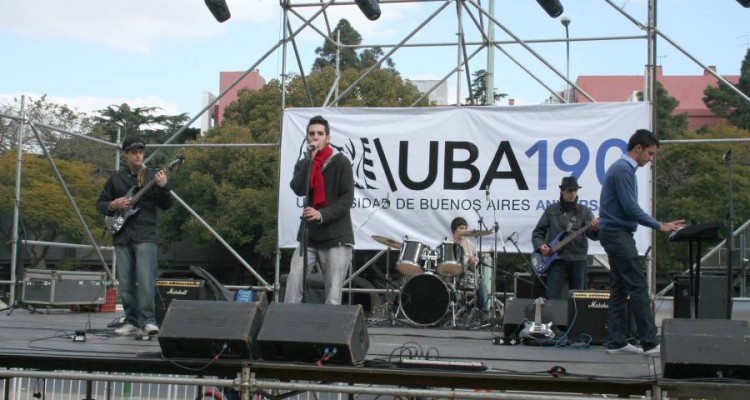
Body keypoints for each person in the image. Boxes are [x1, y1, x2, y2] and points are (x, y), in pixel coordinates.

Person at [599, 129, 684, 356]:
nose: (651, 159)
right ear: (638, 148)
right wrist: (659, 225)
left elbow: (627, 207)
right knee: (638, 285)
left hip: (615, 234)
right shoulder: (622, 170)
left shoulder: (623, 169)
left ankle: (616, 342)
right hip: (617, 234)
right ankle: (649, 341)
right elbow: (630, 208)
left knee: (619, 288)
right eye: (650, 153)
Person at [97, 136, 172, 336]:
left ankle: (148, 320)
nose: (138, 155)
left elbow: (166, 205)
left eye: (141, 152)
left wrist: (164, 186)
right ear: (125, 154)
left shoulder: (152, 176)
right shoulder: (115, 179)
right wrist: (113, 205)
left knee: (146, 279)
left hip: (146, 233)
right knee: (126, 282)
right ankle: (131, 321)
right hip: (122, 235)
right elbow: (101, 204)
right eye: (134, 152)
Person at [285, 115, 354, 305]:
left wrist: (322, 214)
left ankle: (329, 333)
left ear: (327, 138)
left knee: (332, 293)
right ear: (307, 138)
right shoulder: (304, 163)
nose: (315, 137)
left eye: (320, 134)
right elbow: (298, 188)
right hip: (309, 236)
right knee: (294, 280)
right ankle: (286, 325)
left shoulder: (341, 162)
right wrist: (310, 161)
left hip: (336, 238)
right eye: (311, 133)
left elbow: (347, 199)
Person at [531, 176, 599, 300]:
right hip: (556, 260)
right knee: (553, 296)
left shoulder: (584, 211)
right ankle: (553, 319)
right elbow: (537, 233)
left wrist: (595, 229)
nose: (573, 193)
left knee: (579, 298)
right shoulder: (551, 210)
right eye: (569, 191)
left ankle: (577, 320)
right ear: (562, 191)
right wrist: (541, 246)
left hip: (578, 259)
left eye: (575, 190)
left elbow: (593, 236)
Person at [451, 217, 491, 314]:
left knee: (482, 286)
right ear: (454, 230)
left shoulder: (469, 244)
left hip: (466, 276)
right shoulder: (449, 243)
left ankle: (484, 315)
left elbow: (474, 267)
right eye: (461, 228)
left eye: (465, 228)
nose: (464, 230)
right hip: (451, 276)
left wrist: (473, 262)